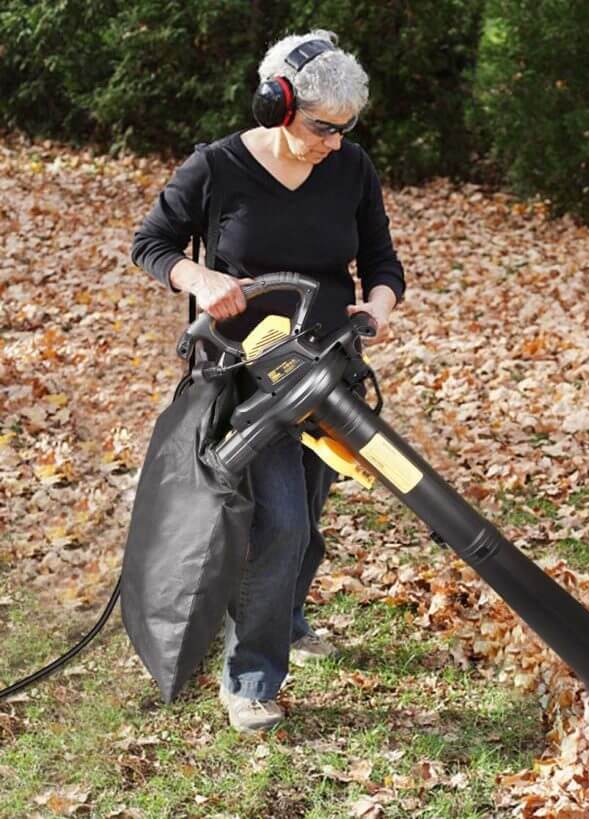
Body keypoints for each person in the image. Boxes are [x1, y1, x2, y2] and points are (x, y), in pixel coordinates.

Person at [130, 29, 405, 732]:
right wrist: (200, 277)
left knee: (308, 523)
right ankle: (250, 676)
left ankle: (285, 614)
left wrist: (376, 307)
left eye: (347, 130)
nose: (334, 143)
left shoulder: (352, 168)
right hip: (245, 374)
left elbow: (381, 260)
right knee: (278, 523)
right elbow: (151, 244)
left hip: (328, 369)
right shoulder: (217, 167)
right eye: (322, 127)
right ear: (276, 103)